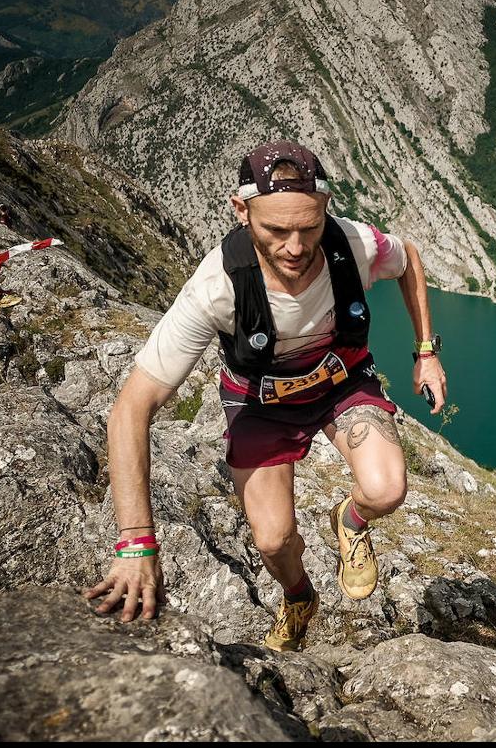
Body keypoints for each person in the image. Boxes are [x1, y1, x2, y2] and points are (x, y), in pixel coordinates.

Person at [83, 140, 448, 651]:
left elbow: (407, 258)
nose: (295, 247)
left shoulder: (352, 243)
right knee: (273, 539)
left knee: (386, 489)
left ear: (325, 208)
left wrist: (426, 351)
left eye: (309, 227)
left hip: (341, 381)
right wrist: (137, 541)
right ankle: (299, 597)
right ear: (242, 210)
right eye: (276, 230)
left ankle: (350, 521)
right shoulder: (216, 287)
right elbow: (131, 408)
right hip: (261, 403)